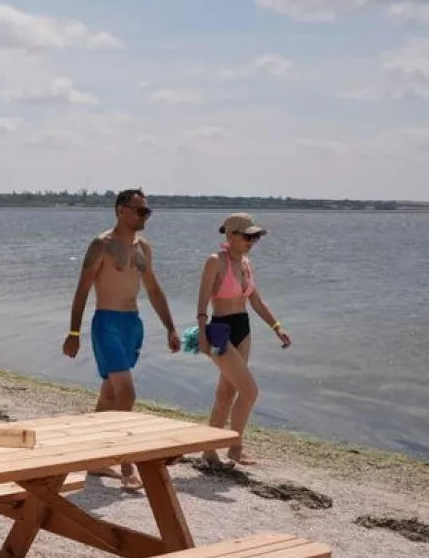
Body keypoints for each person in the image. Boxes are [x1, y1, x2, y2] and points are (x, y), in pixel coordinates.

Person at [63, 188, 180, 488]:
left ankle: (93, 459)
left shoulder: (143, 249)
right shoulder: (101, 246)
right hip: (107, 324)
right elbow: (82, 291)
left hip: (132, 324)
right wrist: (74, 332)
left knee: (110, 395)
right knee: (127, 392)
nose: (145, 216)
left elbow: (153, 290)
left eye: (147, 211)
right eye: (140, 211)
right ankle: (126, 462)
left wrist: (170, 326)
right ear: (120, 211)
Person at [193, 212, 292, 466]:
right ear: (230, 235)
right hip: (219, 331)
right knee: (249, 391)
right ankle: (235, 446)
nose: (251, 241)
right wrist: (202, 334)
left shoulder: (246, 263)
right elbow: (203, 301)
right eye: (247, 236)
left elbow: (256, 301)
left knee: (226, 392)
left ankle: (209, 450)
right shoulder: (215, 261)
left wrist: (276, 327)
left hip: (243, 328)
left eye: (255, 237)